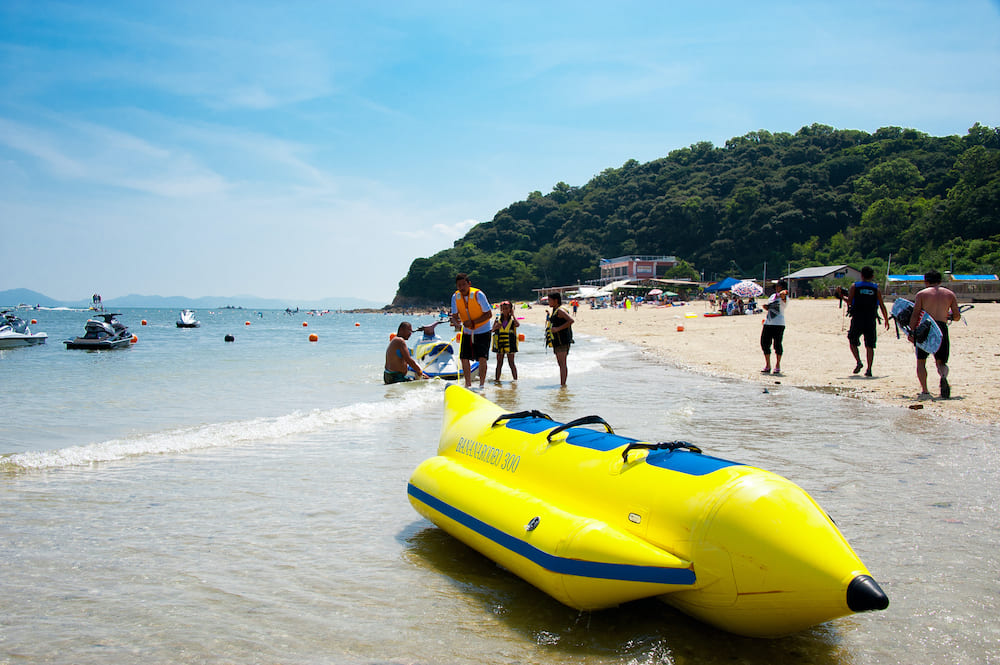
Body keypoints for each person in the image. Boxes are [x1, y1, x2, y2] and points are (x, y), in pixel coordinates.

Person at [909, 269, 960, 399]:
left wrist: (911, 331)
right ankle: (943, 376)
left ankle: (925, 390)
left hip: (925, 328)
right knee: (941, 361)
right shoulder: (950, 294)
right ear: (940, 281)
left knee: (921, 361)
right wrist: (946, 316)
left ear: (926, 281)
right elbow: (957, 317)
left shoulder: (921, 294)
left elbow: (915, 314)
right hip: (941, 328)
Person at [450, 273, 493, 388]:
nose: (461, 287)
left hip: (483, 330)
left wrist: (474, 323)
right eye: (459, 285)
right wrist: (456, 324)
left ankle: (482, 385)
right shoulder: (455, 297)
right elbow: (454, 316)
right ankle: (467, 384)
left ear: (469, 284)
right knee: (464, 357)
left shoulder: (479, 295)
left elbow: (489, 314)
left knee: (482, 358)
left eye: (464, 284)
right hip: (467, 332)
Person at [846, 266, 890, 377]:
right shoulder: (876, 289)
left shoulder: (855, 286)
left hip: (857, 319)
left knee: (852, 341)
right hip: (870, 320)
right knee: (870, 345)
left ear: (861, 275)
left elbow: (850, 302)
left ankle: (858, 361)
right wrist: (886, 320)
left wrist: (842, 297)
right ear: (872, 276)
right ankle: (869, 369)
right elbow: (882, 305)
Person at [547, 292, 575, 387]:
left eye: (550, 300)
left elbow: (571, 320)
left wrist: (557, 329)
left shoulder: (560, 311)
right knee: (560, 363)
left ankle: (563, 385)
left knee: (562, 363)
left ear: (556, 301)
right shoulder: (555, 310)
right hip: (557, 341)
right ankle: (562, 383)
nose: (548, 302)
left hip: (562, 340)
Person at [760, 280, 788, 375]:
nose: (777, 287)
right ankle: (768, 365)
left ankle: (778, 365)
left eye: (779, 286)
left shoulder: (785, 297)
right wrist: (766, 307)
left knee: (777, 344)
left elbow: (783, 296)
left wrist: (783, 292)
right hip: (768, 322)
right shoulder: (772, 296)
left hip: (779, 323)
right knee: (764, 343)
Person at [491, 300, 519, 381]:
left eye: (507, 308)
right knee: (499, 363)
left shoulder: (512, 320)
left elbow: (517, 325)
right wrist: (496, 327)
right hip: (500, 343)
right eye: (503, 308)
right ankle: (497, 380)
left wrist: (513, 315)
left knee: (511, 363)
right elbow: (492, 330)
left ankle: (515, 380)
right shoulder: (497, 319)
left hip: (510, 344)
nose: (505, 310)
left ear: (510, 309)